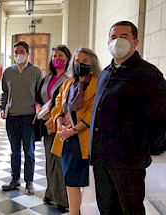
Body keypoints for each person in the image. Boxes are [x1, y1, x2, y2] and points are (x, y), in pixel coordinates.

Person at [89, 21, 166, 215]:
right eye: (113, 37)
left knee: (130, 209)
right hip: (102, 158)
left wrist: (144, 145)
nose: (117, 41)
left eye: (124, 36)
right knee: (107, 208)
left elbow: (161, 116)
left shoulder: (148, 74)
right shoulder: (106, 73)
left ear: (135, 42)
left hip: (128, 160)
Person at [48, 47, 101, 215]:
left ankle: (80, 211)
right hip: (66, 136)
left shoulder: (98, 83)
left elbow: (93, 111)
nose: (80, 64)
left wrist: (74, 130)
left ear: (92, 63)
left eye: (85, 61)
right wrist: (59, 122)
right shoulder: (69, 82)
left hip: (82, 138)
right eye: (77, 61)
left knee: (82, 179)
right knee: (70, 180)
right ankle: (74, 212)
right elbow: (58, 103)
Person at [0, 41, 43, 195]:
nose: (18, 54)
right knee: (14, 151)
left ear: (27, 53)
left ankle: (29, 182)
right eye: (16, 51)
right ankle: (15, 178)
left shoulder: (36, 72)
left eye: (21, 51)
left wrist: (38, 112)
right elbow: (4, 93)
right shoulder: (8, 72)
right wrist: (2, 108)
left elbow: (40, 94)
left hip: (29, 118)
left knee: (29, 152)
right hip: (12, 117)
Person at [36, 45, 70, 212]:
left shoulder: (69, 79)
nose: (57, 58)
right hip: (46, 125)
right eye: (54, 55)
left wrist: (55, 116)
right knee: (49, 160)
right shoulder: (47, 78)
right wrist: (38, 109)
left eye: (61, 55)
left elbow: (69, 104)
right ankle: (51, 193)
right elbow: (38, 97)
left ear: (68, 58)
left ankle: (63, 199)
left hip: (61, 125)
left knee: (60, 162)